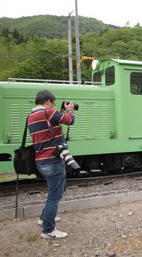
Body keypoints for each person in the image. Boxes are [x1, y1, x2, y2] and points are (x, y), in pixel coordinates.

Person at [27, 90, 75, 238]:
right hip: (53, 160)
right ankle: (48, 230)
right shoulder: (50, 112)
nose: (53, 105)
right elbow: (70, 121)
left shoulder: (31, 116)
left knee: (59, 189)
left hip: (41, 161)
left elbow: (49, 128)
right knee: (54, 195)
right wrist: (70, 111)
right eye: (52, 103)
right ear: (48, 101)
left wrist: (60, 112)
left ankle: (45, 218)